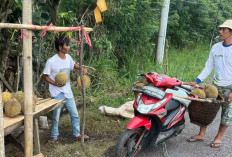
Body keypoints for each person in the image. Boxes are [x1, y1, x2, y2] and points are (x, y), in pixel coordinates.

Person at [185, 20, 232, 148]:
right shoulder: (216, 47)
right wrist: (197, 81)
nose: (220, 31)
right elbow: (208, 66)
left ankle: (218, 137)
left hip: (230, 87)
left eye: (224, 29)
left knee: (227, 114)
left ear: (231, 32)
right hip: (214, 86)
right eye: (220, 29)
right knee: (206, 110)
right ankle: (201, 134)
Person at [42, 35, 89, 143]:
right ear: (60, 47)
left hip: (68, 92)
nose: (69, 47)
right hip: (56, 92)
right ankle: (54, 137)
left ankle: (77, 134)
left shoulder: (68, 58)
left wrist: (82, 68)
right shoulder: (51, 61)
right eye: (67, 45)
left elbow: (74, 65)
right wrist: (54, 83)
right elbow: (44, 76)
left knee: (75, 114)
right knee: (56, 117)